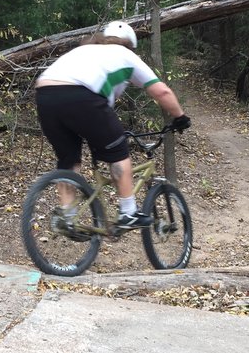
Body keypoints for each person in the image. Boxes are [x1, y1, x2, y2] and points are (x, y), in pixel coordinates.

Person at [34, 20, 191, 230]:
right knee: (118, 151)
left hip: (45, 95)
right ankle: (128, 213)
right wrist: (180, 117)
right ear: (130, 45)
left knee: (69, 161)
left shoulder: (86, 50)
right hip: (81, 96)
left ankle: (67, 216)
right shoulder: (126, 55)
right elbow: (161, 91)